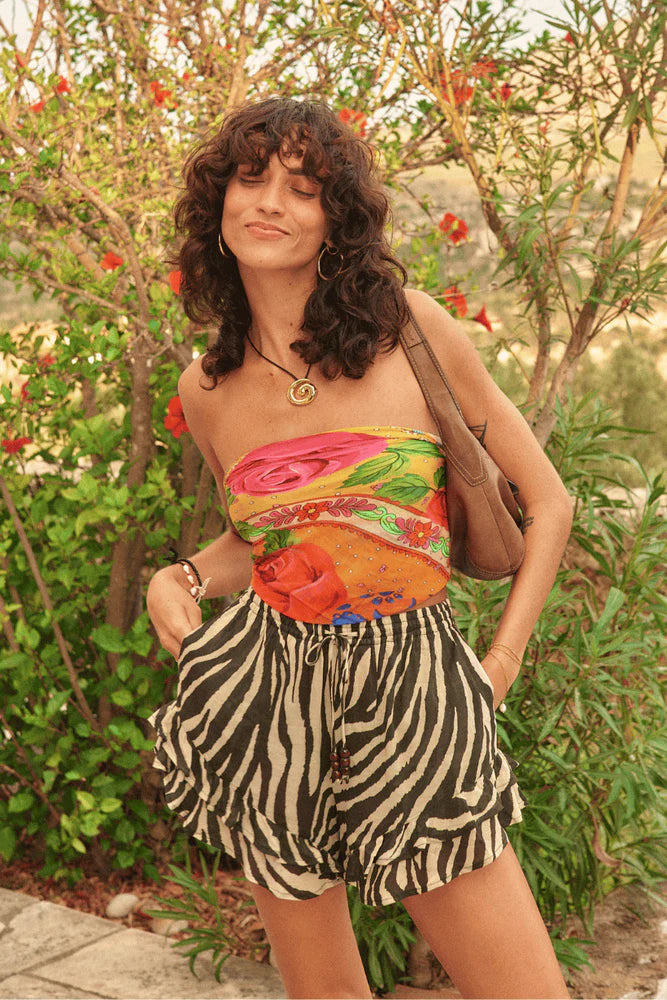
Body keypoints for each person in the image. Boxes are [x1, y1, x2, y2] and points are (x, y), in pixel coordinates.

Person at [146, 97, 573, 1000]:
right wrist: (178, 577)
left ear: (335, 219)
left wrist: (496, 663)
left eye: (302, 189)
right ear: (217, 204)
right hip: (272, 700)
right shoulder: (209, 384)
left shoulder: (408, 330)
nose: (269, 202)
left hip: (415, 689)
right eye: (251, 178)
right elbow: (260, 536)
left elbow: (549, 503)